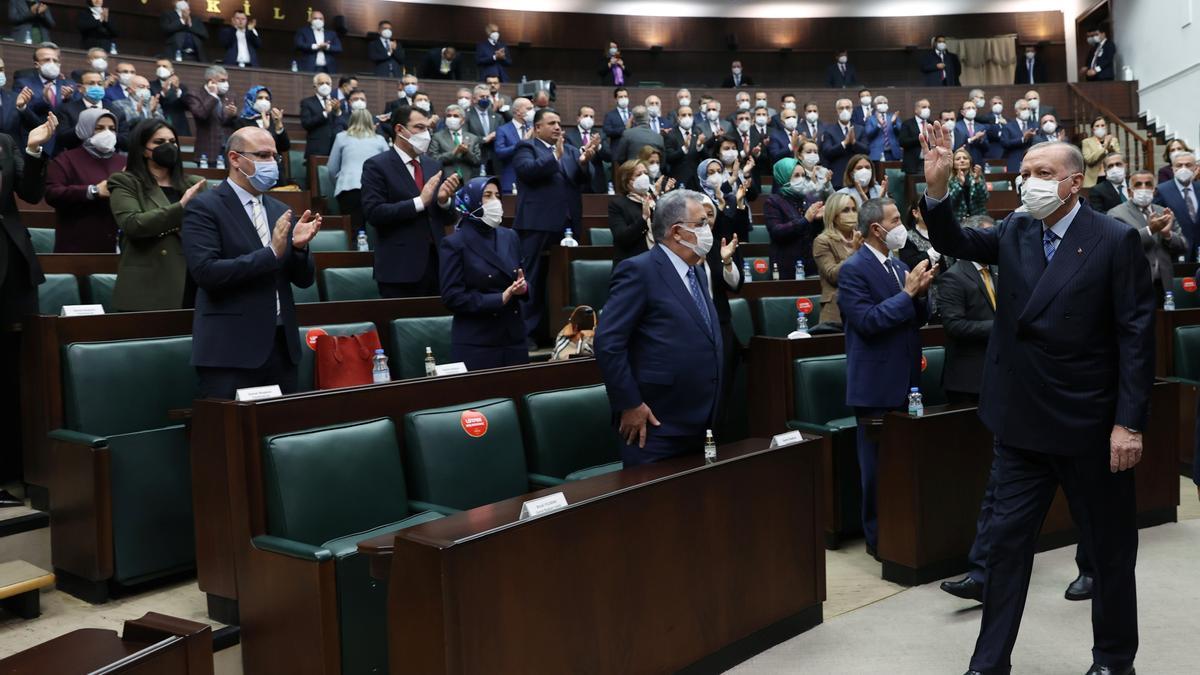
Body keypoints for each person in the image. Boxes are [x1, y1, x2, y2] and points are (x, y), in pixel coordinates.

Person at [921, 118, 1154, 675]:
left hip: (1091, 426)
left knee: (1110, 554)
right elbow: (953, 240)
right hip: (1022, 425)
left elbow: (1136, 338)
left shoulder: (1114, 238)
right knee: (1004, 550)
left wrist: (1130, 424)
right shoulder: (1016, 229)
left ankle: (1115, 661)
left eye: (1043, 173)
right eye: (1025, 173)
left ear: (1073, 183)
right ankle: (988, 662)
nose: (1030, 183)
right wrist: (936, 190)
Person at [182, 127, 321, 399]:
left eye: (274, 157)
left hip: (282, 346)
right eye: (262, 155)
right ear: (235, 159)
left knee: (282, 433)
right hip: (231, 349)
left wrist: (298, 249)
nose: (271, 163)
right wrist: (270, 253)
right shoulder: (205, 207)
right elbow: (207, 273)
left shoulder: (281, 210)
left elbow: (304, 280)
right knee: (234, 437)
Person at [595, 189, 722, 466]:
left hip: (701, 422)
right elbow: (608, 342)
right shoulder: (639, 271)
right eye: (700, 223)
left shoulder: (696, 271)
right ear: (677, 232)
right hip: (655, 425)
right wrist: (629, 403)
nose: (708, 228)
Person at [838, 197, 933, 556]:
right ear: (876, 229)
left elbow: (916, 316)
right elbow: (867, 322)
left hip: (908, 382)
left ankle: (905, 533)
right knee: (876, 471)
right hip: (876, 388)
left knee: (904, 465)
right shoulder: (854, 269)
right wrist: (908, 295)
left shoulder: (896, 266)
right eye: (895, 220)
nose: (901, 226)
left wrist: (920, 296)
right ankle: (878, 540)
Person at [0, 109, 54, 490]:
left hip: (10, 272)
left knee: (10, 375)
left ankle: (10, 471)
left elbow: (31, 192)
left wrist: (34, 150)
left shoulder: (4, 142)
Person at [512, 108, 596, 342]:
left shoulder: (570, 150)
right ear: (537, 127)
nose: (558, 127)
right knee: (533, 279)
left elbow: (583, 182)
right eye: (551, 123)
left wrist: (584, 163)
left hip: (568, 224)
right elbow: (527, 172)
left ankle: (568, 334)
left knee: (567, 280)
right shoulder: (526, 147)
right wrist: (554, 157)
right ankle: (528, 335)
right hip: (537, 223)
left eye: (559, 122)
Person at [362, 105, 460, 297]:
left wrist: (443, 202)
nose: (426, 134)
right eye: (419, 128)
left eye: (428, 129)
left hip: (437, 265)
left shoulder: (433, 165)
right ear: (399, 129)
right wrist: (419, 202)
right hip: (400, 268)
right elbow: (374, 213)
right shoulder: (376, 166)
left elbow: (448, 218)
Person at [109, 119, 205, 312]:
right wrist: (181, 206)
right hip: (151, 284)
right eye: (159, 143)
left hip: (194, 279)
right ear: (143, 149)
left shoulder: (194, 184)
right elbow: (132, 224)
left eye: (172, 142)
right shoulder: (126, 181)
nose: (168, 147)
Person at [437, 176, 529, 370]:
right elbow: (452, 297)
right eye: (487, 195)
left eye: (497, 195)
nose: (495, 201)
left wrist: (524, 288)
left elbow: (523, 278)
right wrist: (498, 299)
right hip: (478, 342)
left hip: (514, 338)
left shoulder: (510, 236)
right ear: (473, 200)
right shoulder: (454, 243)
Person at [44, 108, 125, 253]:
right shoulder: (66, 159)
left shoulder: (123, 162)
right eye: (99, 128)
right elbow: (52, 193)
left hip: (115, 242)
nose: (107, 133)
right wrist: (92, 191)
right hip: (77, 242)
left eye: (112, 129)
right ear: (85, 129)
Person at [935, 215, 996, 405]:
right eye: (990, 237)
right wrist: (998, 326)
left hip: (998, 373)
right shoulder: (954, 277)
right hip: (968, 380)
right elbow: (954, 325)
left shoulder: (998, 269)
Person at [1109, 169, 1186, 303]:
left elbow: (1183, 246)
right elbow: (1121, 246)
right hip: (1135, 286)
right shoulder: (1116, 214)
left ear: (1154, 190)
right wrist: (1150, 230)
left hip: (1165, 286)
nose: (1143, 188)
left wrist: (1167, 234)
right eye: (1138, 184)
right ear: (1129, 191)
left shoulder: (1163, 212)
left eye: (1148, 184)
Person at [327, 109, 389, 235]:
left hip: (348, 188)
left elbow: (332, 168)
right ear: (370, 121)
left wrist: (339, 182)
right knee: (378, 229)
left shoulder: (341, 137)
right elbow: (389, 167)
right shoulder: (380, 140)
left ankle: (354, 253)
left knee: (352, 231)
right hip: (375, 189)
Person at [765, 157, 824, 279]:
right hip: (785, 265)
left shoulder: (807, 199)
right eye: (796, 175)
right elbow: (777, 232)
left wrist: (819, 220)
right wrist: (806, 219)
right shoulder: (773, 201)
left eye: (803, 175)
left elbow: (813, 232)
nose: (801, 179)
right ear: (784, 176)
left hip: (809, 263)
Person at [811, 192, 861, 327]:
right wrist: (855, 252)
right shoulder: (823, 241)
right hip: (835, 312)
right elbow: (832, 275)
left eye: (854, 209)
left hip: (863, 307)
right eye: (845, 210)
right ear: (833, 214)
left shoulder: (863, 238)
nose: (851, 213)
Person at [231, 86, 289, 180]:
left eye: (267, 98)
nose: (264, 101)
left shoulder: (274, 120)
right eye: (260, 98)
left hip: (275, 171)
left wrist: (279, 126)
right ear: (251, 100)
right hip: (251, 170)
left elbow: (285, 147)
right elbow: (245, 146)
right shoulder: (242, 122)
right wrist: (263, 131)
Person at [183, 65, 235, 163]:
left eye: (226, 80)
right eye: (222, 80)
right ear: (211, 81)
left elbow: (228, 123)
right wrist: (212, 96)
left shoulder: (230, 95)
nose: (226, 84)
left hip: (226, 150)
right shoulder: (194, 95)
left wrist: (233, 115)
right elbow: (201, 115)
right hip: (207, 150)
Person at [1153, 150, 1199, 259]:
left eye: (1188, 165)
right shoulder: (1162, 190)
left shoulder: (1198, 187)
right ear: (1172, 168)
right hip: (1176, 252)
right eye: (1179, 165)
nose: (1183, 168)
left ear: (1195, 168)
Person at [609, 160, 654, 265]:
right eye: (639, 174)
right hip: (630, 265)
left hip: (655, 263)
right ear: (627, 181)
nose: (644, 177)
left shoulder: (654, 202)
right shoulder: (617, 205)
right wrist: (644, 218)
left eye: (645, 173)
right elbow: (623, 239)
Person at [819, 98, 868, 189]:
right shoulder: (829, 131)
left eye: (847, 107)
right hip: (838, 177)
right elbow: (826, 152)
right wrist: (844, 143)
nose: (845, 110)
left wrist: (854, 142)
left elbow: (866, 150)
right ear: (837, 111)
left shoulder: (860, 129)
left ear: (852, 110)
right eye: (841, 108)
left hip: (857, 177)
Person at [300, 73, 344, 168]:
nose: (325, 86)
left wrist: (338, 112)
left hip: (335, 148)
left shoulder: (336, 103)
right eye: (321, 83)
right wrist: (324, 113)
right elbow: (306, 124)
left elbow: (344, 125)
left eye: (328, 83)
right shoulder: (307, 102)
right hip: (316, 149)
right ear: (315, 86)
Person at [429, 104, 482, 181]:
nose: (452, 118)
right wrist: (454, 153)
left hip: (467, 180)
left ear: (463, 120)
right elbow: (433, 160)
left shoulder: (473, 138)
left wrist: (467, 152)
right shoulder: (437, 137)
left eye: (456, 116)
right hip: (446, 179)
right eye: (449, 116)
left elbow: (477, 161)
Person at [564, 105, 610, 194]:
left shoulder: (600, 135)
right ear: (578, 118)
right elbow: (567, 157)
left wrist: (598, 147)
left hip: (597, 182)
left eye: (591, 117)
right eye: (585, 116)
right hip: (577, 180)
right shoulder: (569, 136)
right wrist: (583, 150)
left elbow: (609, 156)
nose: (588, 118)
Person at [494, 97, 533, 194]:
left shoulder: (533, 129)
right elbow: (500, 153)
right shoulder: (503, 130)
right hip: (511, 180)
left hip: (531, 181)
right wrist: (521, 143)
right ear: (517, 111)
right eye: (528, 109)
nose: (532, 112)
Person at [466, 84, 504, 177]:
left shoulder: (497, 116)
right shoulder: (467, 116)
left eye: (487, 97)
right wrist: (484, 139)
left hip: (494, 161)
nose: (485, 99)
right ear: (474, 99)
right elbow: (465, 136)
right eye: (482, 97)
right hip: (475, 159)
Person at [946, 148, 990, 222]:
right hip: (957, 221)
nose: (962, 160)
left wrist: (977, 181)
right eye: (958, 159)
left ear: (970, 161)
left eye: (965, 158)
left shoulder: (977, 176)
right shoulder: (949, 180)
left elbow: (984, 199)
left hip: (978, 220)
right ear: (953, 164)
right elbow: (950, 203)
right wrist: (959, 184)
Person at [149, 59, 189, 136]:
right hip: (158, 125)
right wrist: (163, 93)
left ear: (172, 71)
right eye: (158, 66)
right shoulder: (150, 85)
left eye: (164, 66)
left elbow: (187, 106)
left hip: (179, 126)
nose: (161, 68)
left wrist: (177, 90)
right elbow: (153, 104)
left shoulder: (182, 87)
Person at [1082, 117, 1121, 187]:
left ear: (1106, 127)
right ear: (1092, 128)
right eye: (1097, 126)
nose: (1100, 128)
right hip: (1093, 180)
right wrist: (1105, 146)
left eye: (1102, 125)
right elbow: (1089, 160)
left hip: (1111, 176)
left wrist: (1109, 145)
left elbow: (1118, 157)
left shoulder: (1113, 140)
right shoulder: (1086, 142)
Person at [1000, 98, 1037, 172]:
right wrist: (1022, 139)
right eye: (1024, 109)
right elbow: (1005, 143)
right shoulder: (1008, 126)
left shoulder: (1034, 125)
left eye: (1028, 109)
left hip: (1032, 162)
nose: (1027, 111)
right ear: (1017, 111)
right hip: (1014, 163)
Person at [897, 99, 932, 175]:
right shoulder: (907, 124)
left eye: (928, 107)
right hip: (913, 164)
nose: (927, 109)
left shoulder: (931, 124)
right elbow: (902, 142)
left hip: (929, 162)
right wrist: (920, 137)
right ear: (916, 110)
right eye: (924, 107)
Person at [864, 96, 902, 162]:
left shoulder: (893, 117)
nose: (883, 104)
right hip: (877, 153)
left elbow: (900, 132)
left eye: (885, 103)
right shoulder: (871, 119)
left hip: (893, 153)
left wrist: (894, 124)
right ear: (875, 106)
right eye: (880, 103)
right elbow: (868, 135)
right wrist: (879, 125)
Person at [954, 99, 990, 166]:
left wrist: (981, 140)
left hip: (978, 162)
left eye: (973, 108)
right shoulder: (956, 126)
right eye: (968, 108)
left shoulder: (981, 127)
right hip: (962, 162)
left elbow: (987, 148)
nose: (971, 110)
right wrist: (974, 138)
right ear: (962, 112)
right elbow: (957, 146)